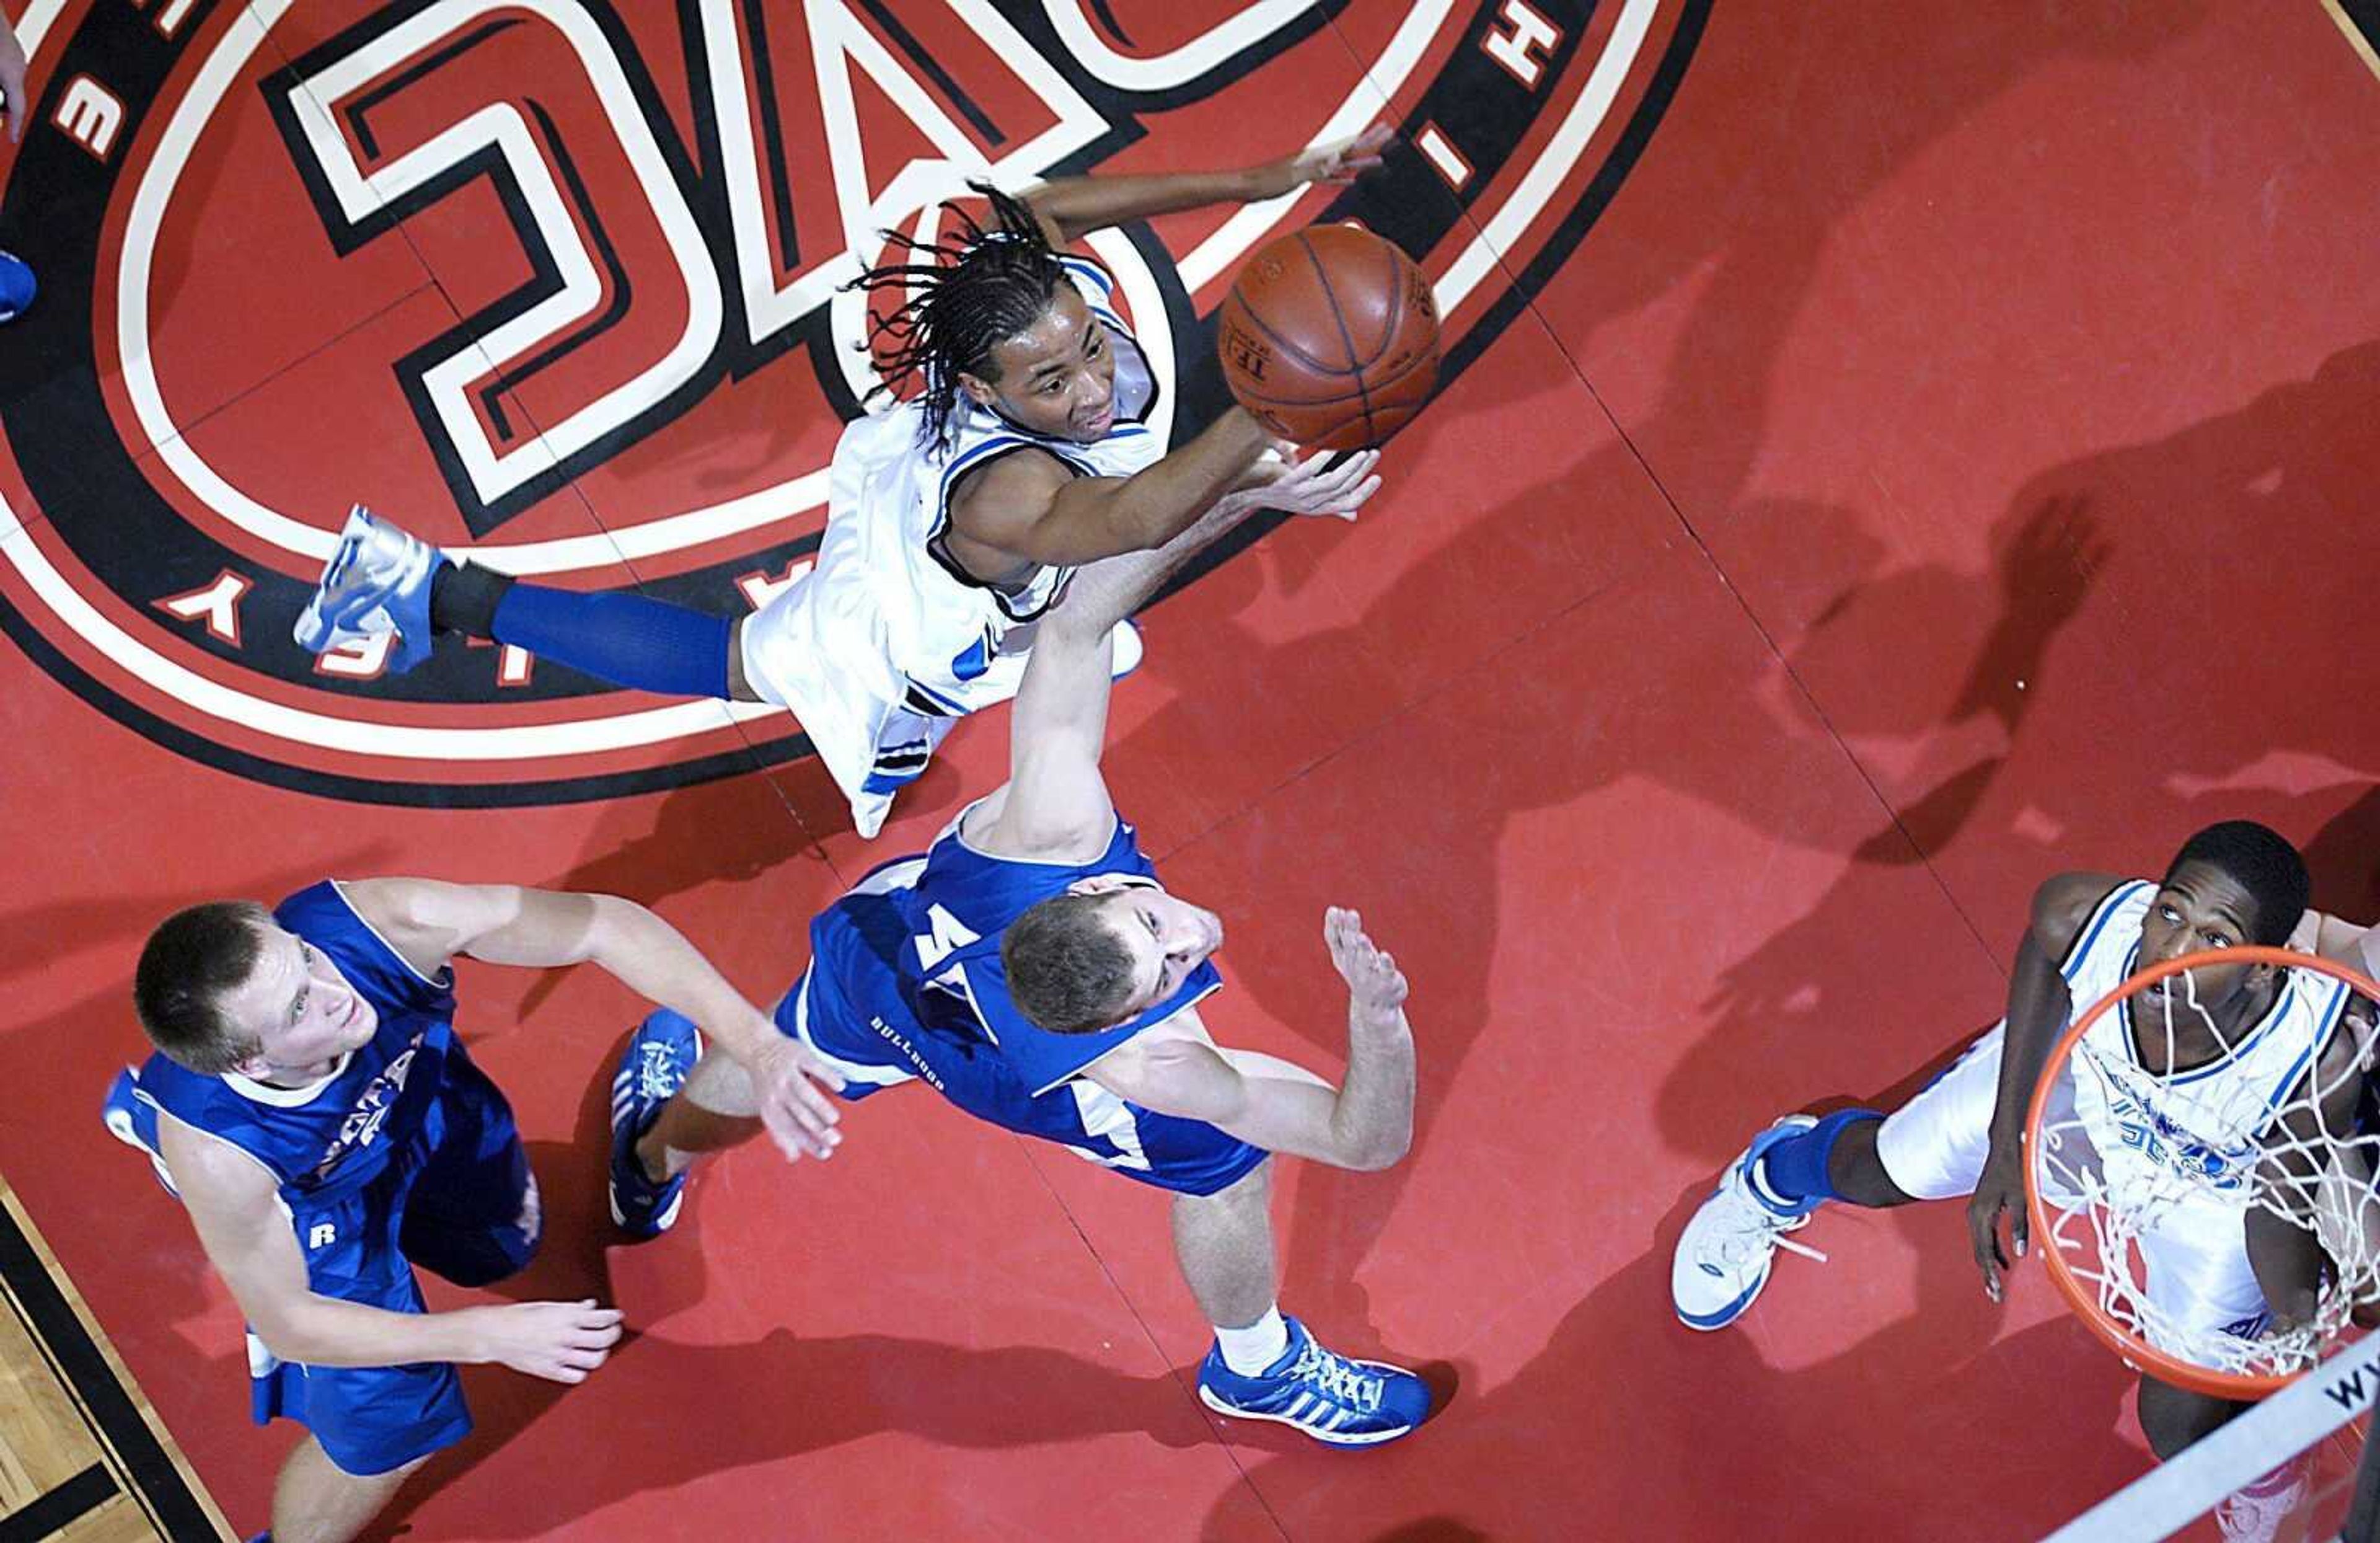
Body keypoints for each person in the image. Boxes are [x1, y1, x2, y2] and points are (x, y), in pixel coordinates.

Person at [601, 442, 1435, 1444]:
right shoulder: (1149, 1063)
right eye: (1170, 962)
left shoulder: (1048, 832)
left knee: (790, 1047)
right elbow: (1363, 1139)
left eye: (1154, 921)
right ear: (1115, 1026)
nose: (1195, 932)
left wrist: (1246, 489)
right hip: (971, 1050)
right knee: (1223, 1161)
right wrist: (1377, 1022)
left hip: (884, 961)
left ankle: (647, 1157)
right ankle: (1254, 1367)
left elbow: (1078, 620)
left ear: (1099, 884)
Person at [291, 132, 1391, 836]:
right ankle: (431, 585)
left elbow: (1054, 204)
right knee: (745, 663)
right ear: (983, 383)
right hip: (924, 593)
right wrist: (1280, 405)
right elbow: (1137, 518)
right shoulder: (1011, 490)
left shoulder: (1041, 291)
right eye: (1053, 380)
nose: (1094, 384)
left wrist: (1269, 176)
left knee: (1066, 606)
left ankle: (437, 589)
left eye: (1088, 353)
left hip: (950, 482)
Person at [1671, 821, 2371, 1532]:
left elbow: (2279, 1201)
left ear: (2263, 965)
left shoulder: (2317, 1053)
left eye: (2216, 939)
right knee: (1882, 1169)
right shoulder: (2087, 916)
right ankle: (1774, 1172)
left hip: (2215, 1195)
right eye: (2170, 911)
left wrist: (2294, 1314)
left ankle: (2265, 1470)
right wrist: (2007, 1140)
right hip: (2080, 1095)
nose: (2176, 949)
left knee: (2176, 1425)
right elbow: (2044, 945)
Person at [100, 878, 844, 1543]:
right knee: (389, 1434)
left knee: (506, 1246)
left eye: (305, 958)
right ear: (252, 1064)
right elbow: (293, 1320)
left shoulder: (381, 926)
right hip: (314, 1208)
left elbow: (603, 924)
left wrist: (758, 1043)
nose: (334, 989)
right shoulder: (223, 1152)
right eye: (299, 1006)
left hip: (419, 1105)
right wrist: (481, 1335)